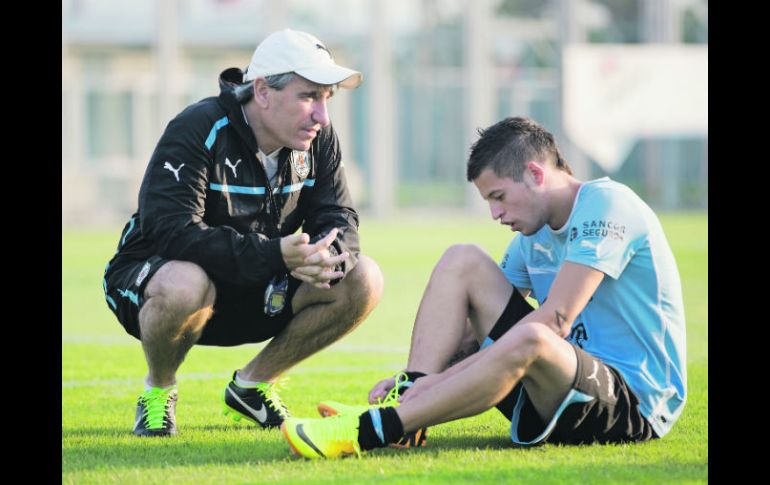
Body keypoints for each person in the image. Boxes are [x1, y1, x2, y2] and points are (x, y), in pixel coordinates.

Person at [280, 116, 686, 458]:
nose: (495, 213)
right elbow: (478, 335)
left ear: (535, 174)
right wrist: (418, 380)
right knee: (463, 260)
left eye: (499, 197)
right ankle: (406, 409)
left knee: (534, 335)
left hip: (632, 405)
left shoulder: (608, 206)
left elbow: (556, 321)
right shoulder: (531, 239)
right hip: (558, 387)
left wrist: (440, 383)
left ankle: (373, 430)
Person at [102, 29, 384, 437]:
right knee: (185, 283)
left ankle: (252, 387)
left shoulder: (318, 138)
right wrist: (275, 255)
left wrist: (327, 254)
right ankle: (158, 391)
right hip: (161, 283)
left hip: (258, 283)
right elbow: (172, 232)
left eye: (327, 98)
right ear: (263, 92)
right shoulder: (198, 126)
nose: (322, 116)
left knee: (363, 278)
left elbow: (339, 214)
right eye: (309, 97)